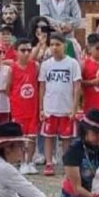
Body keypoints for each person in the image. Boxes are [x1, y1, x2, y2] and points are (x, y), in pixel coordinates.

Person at [38, 33, 82, 176]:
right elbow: (42, 87)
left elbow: (76, 87)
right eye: (52, 45)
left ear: (65, 45)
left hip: (66, 108)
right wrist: (41, 108)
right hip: (50, 108)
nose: (55, 48)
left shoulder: (72, 63)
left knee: (66, 139)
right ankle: (49, 163)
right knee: (49, 137)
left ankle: (66, 162)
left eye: (58, 44)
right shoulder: (46, 65)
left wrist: (74, 109)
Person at [10, 38, 40, 175]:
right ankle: (22, 161)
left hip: (32, 107)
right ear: (16, 52)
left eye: (29, 50)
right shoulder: (12, 68)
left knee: (32, 136)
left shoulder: (35, 66)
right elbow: (8, 88)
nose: (26, 53)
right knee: (21, 137)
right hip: (18, 108)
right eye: (23, 50)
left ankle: (30, 161)